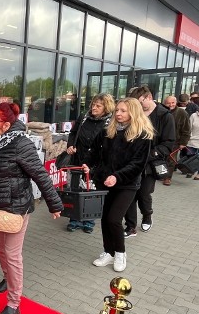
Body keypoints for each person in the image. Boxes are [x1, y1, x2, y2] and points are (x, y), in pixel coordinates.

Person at [0, 103, 63, 314]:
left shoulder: (22, 144)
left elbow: (40, 175)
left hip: (16, 207)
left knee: (12, 255)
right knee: (0, 250)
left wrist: (55, 204)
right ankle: (7, 278)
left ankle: (14, 303)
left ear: (5, 125)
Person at [81, 97, 154, 272]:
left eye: (123, 111)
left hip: (127, 184)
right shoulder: (108, 130)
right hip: (105, 181)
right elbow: (94, 151)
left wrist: (117, 176)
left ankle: (120, 253)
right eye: (117, 110)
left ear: (133, 113)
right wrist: (88, 164)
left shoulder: (143, 135)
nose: (119, 114)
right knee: (105, 219)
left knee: (114, 219)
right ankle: (108, 252)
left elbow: (138, 163)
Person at [124, 85, 175, 237]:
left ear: (149, 97)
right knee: (129, 194)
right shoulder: (134, 114)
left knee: (144, 194)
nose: (137, 107)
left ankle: (147, 216)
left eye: (139, 103)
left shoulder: (165, 116)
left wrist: (149, 153)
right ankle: (130, 226)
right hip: (131, 162)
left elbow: (168, 143)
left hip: (150, 163)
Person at [64, 93, 114, 233]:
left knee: (91, 192)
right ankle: (74, 219)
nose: (94, 108)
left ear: (106, 107)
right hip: (77, 160)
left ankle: (89, 220)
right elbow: (73, 132)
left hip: (95, 164)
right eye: (93, 104)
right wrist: (70, 145)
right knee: (74, 190)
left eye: (98, 105)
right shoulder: (84, 117)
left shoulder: (110, 122)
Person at [161, 95, 190, 186]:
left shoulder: (182, 113)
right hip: (161, 141)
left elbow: (186, 129)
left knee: (171, 160)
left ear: (176, 102)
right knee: (161, 159)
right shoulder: (161, 112)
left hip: (175, 141)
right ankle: (161, 174)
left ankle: (167, 178)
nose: (170, 105)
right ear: (164, 103)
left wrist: (183, 142)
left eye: (172, 102)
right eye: (168, 103)